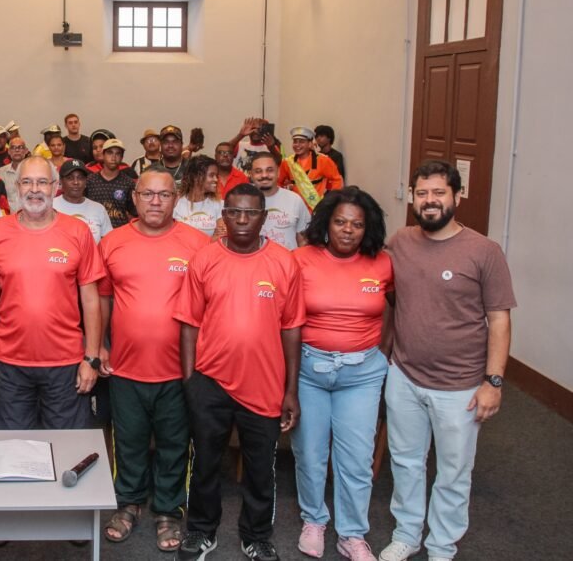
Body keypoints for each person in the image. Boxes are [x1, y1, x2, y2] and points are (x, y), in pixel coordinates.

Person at [378, 160, 516, 561]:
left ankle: (442, 546)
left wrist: (493, 382)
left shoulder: (484, 251)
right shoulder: (400, 241)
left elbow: (499, 320)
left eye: (439, 192)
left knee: (454, 471)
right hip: (404, 375)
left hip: (461, 386)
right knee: (406, 462)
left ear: (457, 196)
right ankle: (407, 534)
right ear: (413, 198)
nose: (430, 201)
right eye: (422, 193)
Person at [175, 183, 304, 561]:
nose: (242, 219)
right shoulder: (205, 259)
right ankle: (201, 531)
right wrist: (190, 380)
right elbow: (189, 323)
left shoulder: (284, 262)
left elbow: (292, 328)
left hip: (264, 384)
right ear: (224, 216)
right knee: (205, 463)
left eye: (250, 213)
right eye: (234, 212)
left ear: (264, 218)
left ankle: (257, 536)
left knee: (261, 468)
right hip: (210, 382)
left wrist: (291, 390)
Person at [98, 168, 209, 552]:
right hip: (125, 367)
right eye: (147, 194)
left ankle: (168, 511)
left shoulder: (197, 244)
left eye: (164, 194)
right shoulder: (113, 242)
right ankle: (128, 505)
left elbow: (209, 306)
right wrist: (100, 345)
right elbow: (102, 298)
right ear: (134, 198)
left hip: (179, 370)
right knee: (128, 442)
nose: (155, 201)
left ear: (176, 199)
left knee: (174, 445)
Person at [291, 188, 392, 561]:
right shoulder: (300, 260)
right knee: (310, 452)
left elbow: (396, 307)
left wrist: (384, 353)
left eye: (357, 224)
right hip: (309, 370)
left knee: (356, 458)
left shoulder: (383, 263)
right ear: (326, 223)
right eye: (340, 222)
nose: (348, 230)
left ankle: (351, 534)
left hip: (362, 374)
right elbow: (285, 318)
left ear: (368, 228)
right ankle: (314, 520)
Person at [0, 156, 105, 430]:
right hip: (9, 364)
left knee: (66, 446)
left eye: (42, 182)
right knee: (13, 446)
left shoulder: (78, 231)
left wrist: (91, 358)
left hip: (66, 364)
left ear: (55, 186)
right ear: (17, 187)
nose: (34, 189)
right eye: (27, 182)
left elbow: (91, 299)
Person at [250, 152, 311, 250]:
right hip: (256, 260)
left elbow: (304, 241)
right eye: (258, 171)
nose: (264, 175)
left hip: (289, 259)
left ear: (278, 172)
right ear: (251, 175)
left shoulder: (294, 200)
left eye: (270, 170)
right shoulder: (243, 202)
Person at [278, 126, 343, 210]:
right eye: (295, 141)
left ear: (309, 144)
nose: (297, 145)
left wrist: (331, 200)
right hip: (296, 207)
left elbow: (337, 179)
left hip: (316, 208)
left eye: (301, 142)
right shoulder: (287, 162)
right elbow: (278, 182)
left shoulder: (323, 160)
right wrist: (284, 197)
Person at [52, 159, 112, 244]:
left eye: (80, 178)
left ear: (86, 181)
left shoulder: (98, 209)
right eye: (70, 178)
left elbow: (108, 243)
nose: (76, 182)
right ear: (61, 181)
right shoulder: (51, 206)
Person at [86, 138, 138, 229]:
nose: (113, 157)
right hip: (95, 231)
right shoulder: (90, 181)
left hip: (119, 233)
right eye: (110, 153)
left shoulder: (128, 183)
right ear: (103, 155)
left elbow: (134, 212)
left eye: (118, 153)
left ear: (122, 157)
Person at [173, 155, 225, 238]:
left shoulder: (219, 205)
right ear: (196, 177)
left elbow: (220, 236)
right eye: (211, 175)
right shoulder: (176, 203)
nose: (216, 179)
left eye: (216, 176)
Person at [0, 137, 29, 213]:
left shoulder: (33, 171)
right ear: (9, 151)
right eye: (13, 148)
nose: (17, 150)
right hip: (8, 216)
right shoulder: (1, 172)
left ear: (26, 151)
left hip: (29, 215)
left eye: (20, 147)